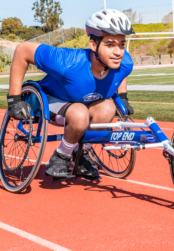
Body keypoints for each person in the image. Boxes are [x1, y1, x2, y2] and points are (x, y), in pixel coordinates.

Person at [7, 9, 134, 179]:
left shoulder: (124, 62)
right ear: (93, 45)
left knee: (108, 108)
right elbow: (22, 50)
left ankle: (82, 154)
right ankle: (61, 156)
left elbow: (120, 73)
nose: (118, 52)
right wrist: (14, 99)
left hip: (83, 104)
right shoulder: (67, 62)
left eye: (121, 44)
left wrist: (123, 96)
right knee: (79, 113)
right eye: (110, 44)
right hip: (50, 99)